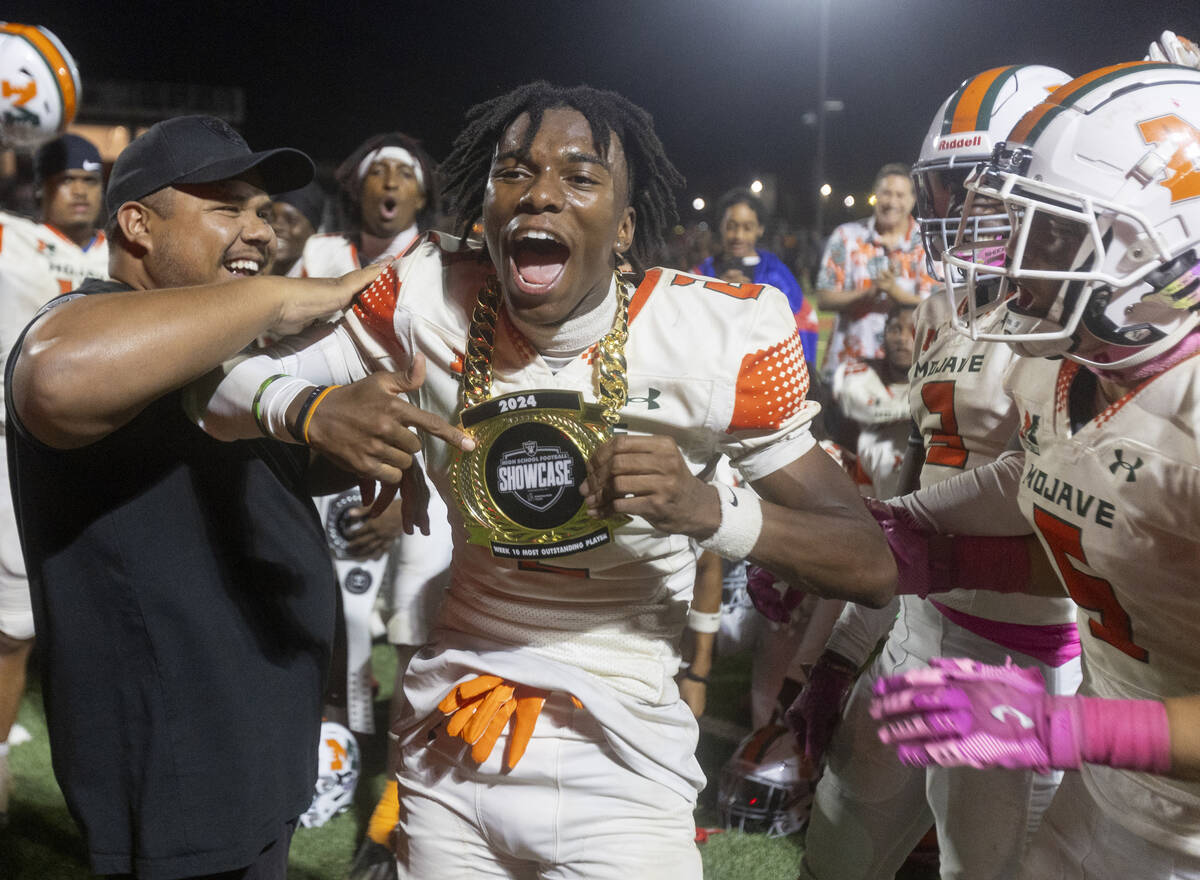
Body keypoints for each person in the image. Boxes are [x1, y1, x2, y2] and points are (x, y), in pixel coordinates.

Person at [194, 81, 896, 879]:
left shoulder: (713, 336)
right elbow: (213, 388)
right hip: (454, 742)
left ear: (626, 228)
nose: (540, 195)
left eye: (580, 176)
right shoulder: (428, 297)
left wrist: (711, 508)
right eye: (514, 173)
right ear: (484, 210)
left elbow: (869, 564)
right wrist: (314, 410)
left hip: (623, 761)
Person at [3, 114, 432, 878]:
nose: (260, 232)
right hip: (180, 766)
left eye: (264, 212)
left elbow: (274, 472)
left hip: (250, 743)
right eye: (226, 208)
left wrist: (371, 437)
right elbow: (55, 377)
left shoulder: (210, 349)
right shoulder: (84, 323)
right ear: (136, 222)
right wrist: (282, 298)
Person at [870, 62, 1200, 880]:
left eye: (1050, 232)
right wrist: (931, 549)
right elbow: (1104, 547)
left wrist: (1061, 728)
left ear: (1164, 245)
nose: (1012, 264)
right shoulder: (1068, 367)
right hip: (1112, 790)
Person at [795, 65, 1085, 880]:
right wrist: (848, 646)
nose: (951, 211)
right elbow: (916, 485)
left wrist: (884, 531)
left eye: (973, 186)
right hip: (918, 633)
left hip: (1019, 659)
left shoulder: (1081, 320)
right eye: (943, 186)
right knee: (836, 854)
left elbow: (1044, 482)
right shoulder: (941, 306)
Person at [0, 131, 107, 826]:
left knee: (63, 624)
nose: (79, 188)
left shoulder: (118, 252)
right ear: (37, 184)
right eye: (64, 177)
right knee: (12, 627)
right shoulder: (7, 236)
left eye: (92, 179)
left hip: (94, 454)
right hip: (9, 441)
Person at [816, 163, 934, 381]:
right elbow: (824, 298)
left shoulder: (927, 243)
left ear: (912, 200)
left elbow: (937, 307)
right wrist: (868, 293)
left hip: (907, 372)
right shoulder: (846, 237)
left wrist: (894, 292)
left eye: (900, 195)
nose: (891, 202)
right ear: (876, 195)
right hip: (848, 368)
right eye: (886, 193)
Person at [697, 187, 819, 362]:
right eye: (731, 227)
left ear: (760, 229)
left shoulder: (776, 274)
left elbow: (803, 322)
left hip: (761, 374)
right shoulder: (701, 273)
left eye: (747, 228)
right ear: (720, 226)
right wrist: (716, 293)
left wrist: (750, 299)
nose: (738, 236)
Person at [292, 132, 438, 278]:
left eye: (406, 174)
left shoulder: (438, 263)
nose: (391, 183)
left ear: (421, 198)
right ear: (359, 191)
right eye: (378, 172)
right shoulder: (319, 251)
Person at [829, 303, 915, 499]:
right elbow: (865, 410)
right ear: (883, 334)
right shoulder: (857, 372)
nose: (902, 339)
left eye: (912, 330)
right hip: (862, 472)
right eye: (895, 329)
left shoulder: (936, 375)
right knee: (881, 447)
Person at [267, 180, 325, 276]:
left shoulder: (323, 281)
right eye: (271, 218)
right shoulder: (248, 277)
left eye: (291, 221)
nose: (276, 226)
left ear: (312, 231)